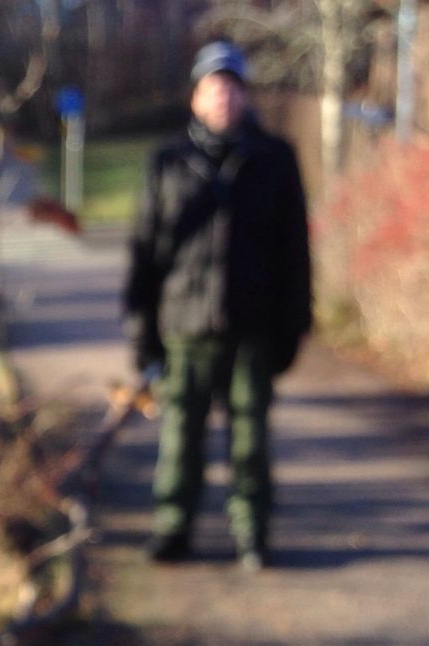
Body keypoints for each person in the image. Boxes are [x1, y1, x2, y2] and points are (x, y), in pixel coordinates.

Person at [123, 39, 312, 570]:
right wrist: (141, 332)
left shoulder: (275, 159)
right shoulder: (168, 161)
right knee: (180, 435)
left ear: (244, 97)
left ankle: (251, 532)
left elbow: (295, 250)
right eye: (213, 87)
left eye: (232, 87)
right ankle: (172, 528)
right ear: (196, 97)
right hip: (184, 325)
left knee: (251, 438)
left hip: (253, 326)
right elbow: (144, 252)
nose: (223, 98)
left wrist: (295, 325)